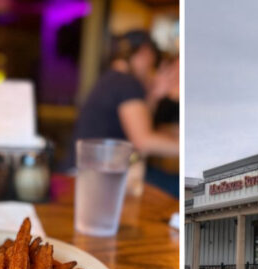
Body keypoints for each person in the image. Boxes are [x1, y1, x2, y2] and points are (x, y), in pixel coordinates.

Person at [68, 30, 179, 171]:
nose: (151, 69)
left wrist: (154, 95)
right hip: (93, 175)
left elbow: (141, 131)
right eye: (153, 60)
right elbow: (143, 142)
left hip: (84, 169)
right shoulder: (127, 83)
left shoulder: (111, 79)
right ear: (145, 53)